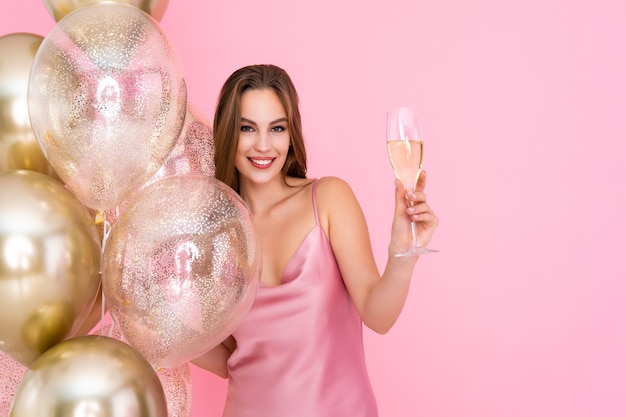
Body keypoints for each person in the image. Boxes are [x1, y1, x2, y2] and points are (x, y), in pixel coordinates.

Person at [192, 64, 438, 417]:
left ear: (291, 134)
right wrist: (162, 333)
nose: (263, 145)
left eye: (277, 128)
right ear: (229, 132)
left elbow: (378, 316)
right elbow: (228, 359)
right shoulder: (213, 232)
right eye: (248, 128)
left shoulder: (328, 198)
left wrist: (403, 252)